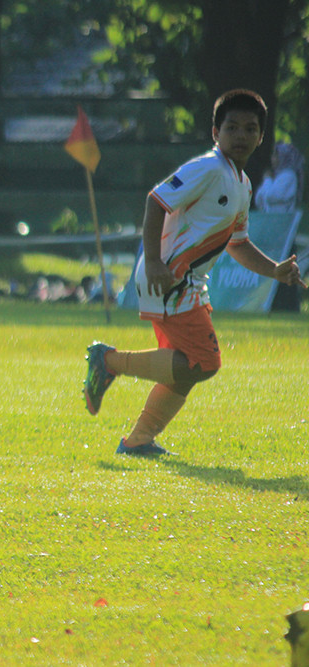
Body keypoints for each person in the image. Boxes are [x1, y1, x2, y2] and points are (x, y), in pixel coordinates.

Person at [82, 89, 305, 456]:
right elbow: (156, 201)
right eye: (231, 127)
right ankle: (108, 361)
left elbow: (238, 244)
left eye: (250, 129)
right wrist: (154, 263)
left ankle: (138, 441)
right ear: (215, 132)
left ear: (261, 136)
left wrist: (275, 271)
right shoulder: (208, 168)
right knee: (202, 362)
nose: (241, 135)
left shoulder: (242, 183)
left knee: (185, 367)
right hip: (169, 278)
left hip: (188, 283)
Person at [254, 142, 305, 212]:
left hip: (282, 217)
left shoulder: (288, 175)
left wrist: (267, 179)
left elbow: (270, 196)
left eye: (275, 155)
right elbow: (258, 199)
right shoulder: (277, 176)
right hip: (271, 217)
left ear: (283, 156)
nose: (272, 159)